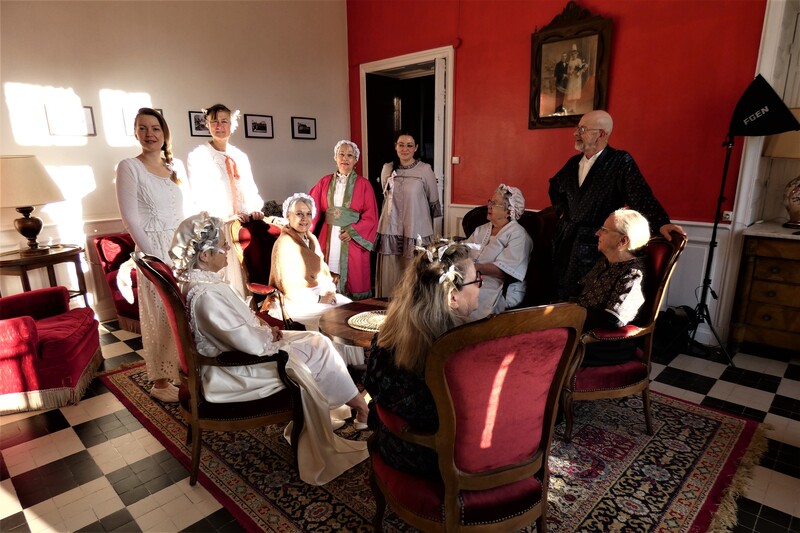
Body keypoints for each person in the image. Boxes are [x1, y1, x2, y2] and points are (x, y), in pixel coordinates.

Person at [169, 212, 369, 485]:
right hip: (234, 374)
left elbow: (236, 331)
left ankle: (347, 404)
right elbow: (246, 342)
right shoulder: (206, 295)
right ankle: (358, 406)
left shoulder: (204, 284)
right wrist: (267, 336)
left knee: (317, 341)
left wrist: (266, 332)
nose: (228, 249)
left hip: (240, 353)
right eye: (221, 246)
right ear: (203, 256)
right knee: (318, 346)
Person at [364, 242, 481, 478]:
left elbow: (371, 387)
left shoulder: (386, 337)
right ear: (452, 297)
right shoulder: (462, 352)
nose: (480, 287)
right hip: (440, 459)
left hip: (395, 445)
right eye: (476, 280)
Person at [549, 109, 685, 300]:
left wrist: (662, 222)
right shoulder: (573, 163)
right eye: (577, 128)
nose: (576, 133)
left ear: (601, 134)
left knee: (585, 296)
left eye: (583, 129)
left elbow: (641, 196)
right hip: (567, 240)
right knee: (558, 291)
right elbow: (555, 188)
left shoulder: (620, 161)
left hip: (597, 243)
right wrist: (563, 213)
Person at [115, 108, 194, 402]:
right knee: (161, 313)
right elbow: (130, 219)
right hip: (153, 250)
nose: (150, 134)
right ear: (136, 133)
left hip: (182, 248)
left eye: (155, 128)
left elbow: (183, 212)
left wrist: (191, 247)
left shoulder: (175, 167)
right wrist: (154, 259)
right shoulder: (129, 167)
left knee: (184, 314)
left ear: (164, 133)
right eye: (143, 128)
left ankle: (184, 371)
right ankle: (160, 381)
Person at [269, 194, 363, 364]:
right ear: (288, 216)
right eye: (299, 214)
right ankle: (337, 365)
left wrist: (329, 291)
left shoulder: (310, 238)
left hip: (318, 293)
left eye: (308, 214)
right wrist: (320, 298)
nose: (304, 219)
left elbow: (323, 271)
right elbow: (289, 286)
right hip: (296, 301)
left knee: (349, 306)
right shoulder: (285, 244)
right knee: (335, 317)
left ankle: (354, 363)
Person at [187, 103, 264, 299]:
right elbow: (199, 192)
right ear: (208, 125)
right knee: (226, 274)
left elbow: (249, 186)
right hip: (219, 226)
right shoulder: (199, 156)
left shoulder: (240, 156)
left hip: (242, 225)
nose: (219, 126)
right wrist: (223, 216)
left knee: (247, 271)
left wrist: (254, 209)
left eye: (224, 121)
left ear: (232, 124)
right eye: (214, 122)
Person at [576, 208, 650, 366]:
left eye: (604, 230)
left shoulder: (633, 273)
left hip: (606, 345)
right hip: (582, 333)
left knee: (546, 347)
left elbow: (613, 319)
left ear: (623, 241)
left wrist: (570, 315)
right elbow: (580, 293)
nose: (597, 233)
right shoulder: (605, 262)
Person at [309, 140, 378, 300]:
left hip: (352, 237)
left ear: (356, 160)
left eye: (349, 155)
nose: (345, 159)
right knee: (328, 268)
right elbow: (312, 207)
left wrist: (353, 231)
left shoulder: (364, 185)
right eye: (341, 154)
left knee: (354, 274)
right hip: (329, 235)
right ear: (335, 157)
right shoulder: (324, 182)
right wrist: (301, 227)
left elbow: (371, 216)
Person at [375, 131, 442, 297]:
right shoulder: (387, 168)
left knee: (413, 270)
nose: (405, 149)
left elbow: (433, 199)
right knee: (392, 269)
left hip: (415, 227)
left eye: (409, 145)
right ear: (395, 147)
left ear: (416, 148)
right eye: (401, 145)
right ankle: (388, 304)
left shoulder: (425, 170)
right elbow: (386, 196)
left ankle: (413, 307)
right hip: (391, 227)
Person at [462, 184, 533, 319]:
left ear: (509, 211)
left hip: (499, 286)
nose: (489, 206)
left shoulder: (518, 235)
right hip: (471, 277)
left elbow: (507, 271)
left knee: (461, 297)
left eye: (494, 204)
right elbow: (464, 250)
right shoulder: (481, 229)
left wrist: (475, 268)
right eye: (490, 201)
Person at [565, 45, 587, 113]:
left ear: (577, 54)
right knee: (571, 92)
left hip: (577, 79)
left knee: (575, 92)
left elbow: (582, 69)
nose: (574, 55)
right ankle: (571, 107)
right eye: (573, 54)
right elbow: (568, 70)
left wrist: (578, 73)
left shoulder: (579, 61)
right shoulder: (570, 61)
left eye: (575, 53)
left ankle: (574, 107)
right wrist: (570, 72)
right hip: (572, 79)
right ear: (571, 54)